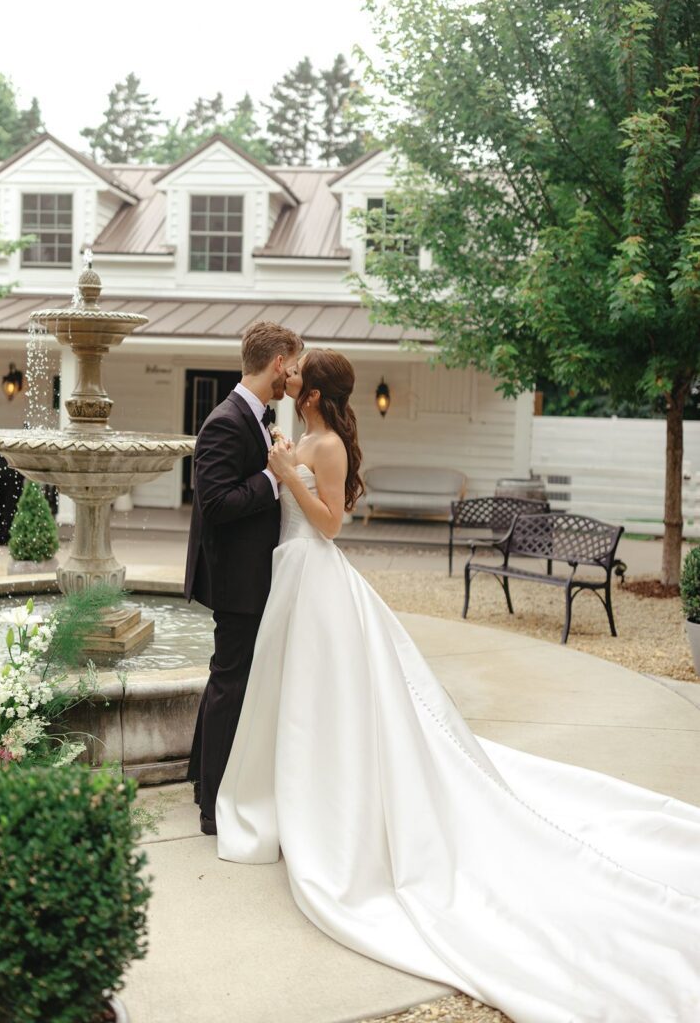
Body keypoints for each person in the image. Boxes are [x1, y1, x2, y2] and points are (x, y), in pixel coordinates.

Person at [215, 348, 700, 1023]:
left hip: (315, 572)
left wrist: (282, 473)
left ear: (316, 394)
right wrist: (284, 460)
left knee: (325, 695)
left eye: (298, 376)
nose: (288, 379)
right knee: (300, 697)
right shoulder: (310, 437)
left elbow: (330, 524)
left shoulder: (325, 446)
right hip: (293, 575)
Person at [184, 320, 303, 836]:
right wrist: (273, 479)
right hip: (236, 579)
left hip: (252, 573)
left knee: (226, 680)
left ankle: (198, 781)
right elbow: (214, 504)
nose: (293, 377)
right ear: (278, 364)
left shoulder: (256, 417)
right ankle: (213, 808)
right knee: (230, 684)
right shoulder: (225, 421)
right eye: (292, 367)